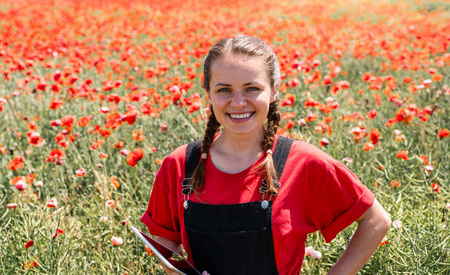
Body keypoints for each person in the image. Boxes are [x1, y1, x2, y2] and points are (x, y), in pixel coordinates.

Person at [141, 36, 391, 275]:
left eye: (251, 88)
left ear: (273, 91)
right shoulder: (181, 164)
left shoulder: (302, 162)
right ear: (209, 93)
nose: (238, 102)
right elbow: (165, 242)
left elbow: (375, 220)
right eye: (224, 89)